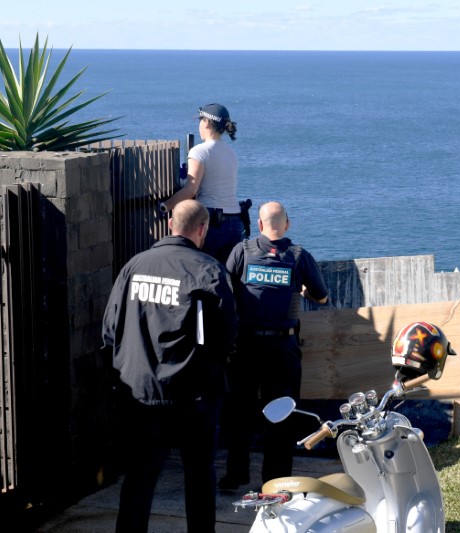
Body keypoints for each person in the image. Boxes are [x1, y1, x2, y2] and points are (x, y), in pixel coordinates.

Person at [102, 199, 238, 533]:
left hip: (142, 393)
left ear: (169, 226)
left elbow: (109, 330)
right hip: (194, 398)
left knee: (139, 479)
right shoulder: (208, 270)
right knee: (199, 479)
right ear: (203, 230)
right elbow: (227, 336)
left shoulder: (134, 266)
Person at [218, 201, 329, 491]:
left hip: (245, 346)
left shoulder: (242, 251)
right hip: (282, 348)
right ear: (287, 225)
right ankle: (276, 481)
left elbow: (223, 288)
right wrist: (302, 290)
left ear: (259, 225)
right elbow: (322, 296)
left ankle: (235, 475)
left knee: (240, 412)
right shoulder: (298, 256)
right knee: (282, 413)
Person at [161, 103, 244, 263]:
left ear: (206, 122)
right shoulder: (231, 153)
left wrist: (166, 206)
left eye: (200, 120)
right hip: (235, 222)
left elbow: (191, 190)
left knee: (204, 274)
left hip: (211, 224)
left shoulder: (199, 151)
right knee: (228, 278)